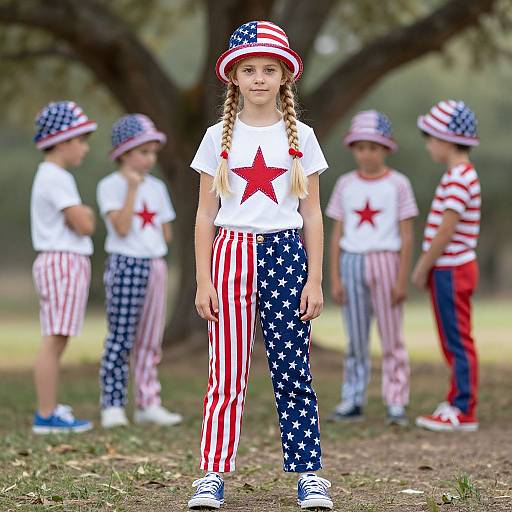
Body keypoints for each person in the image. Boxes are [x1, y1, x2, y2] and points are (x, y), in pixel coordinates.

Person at [187, 20, 333, 511]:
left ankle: (309, 474)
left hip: (286, 255)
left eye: (269, 69)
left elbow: (311, 213)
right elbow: (205, 215)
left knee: (293, 369)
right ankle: (212, 474)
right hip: (230, 254)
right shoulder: (216, 138)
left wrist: (314, 278)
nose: (258, 78)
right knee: (226, 372)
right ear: (233, 77)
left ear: (284, 77)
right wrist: (204, 279)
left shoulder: (303, 138)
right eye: (248, 69)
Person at [326, 110, 418, 426]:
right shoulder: (345, 184)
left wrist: (402, 279)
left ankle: (396, 400)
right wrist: (335, 276)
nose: (367, 153)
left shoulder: (399, 184)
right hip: (352, 261)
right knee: (355, 338)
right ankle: (353, 398)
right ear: (353, 149)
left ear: (386, 148)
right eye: (361, 147)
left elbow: (406, 234)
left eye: (374, 147)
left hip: (386, 261)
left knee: (391, 336)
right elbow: (337, 234)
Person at [96, 114, 182, 429]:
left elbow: (167, 232)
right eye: (143, 152)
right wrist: (131, 191)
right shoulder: (110, 186)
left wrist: (153, 243)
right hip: (125, 262)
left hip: (154, 264)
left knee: (150, 339)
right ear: (124, 152)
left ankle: (148, 402)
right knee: (121, 337)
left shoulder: (157, 188)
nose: (150, 159)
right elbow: (119, 227)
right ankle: (113, 405)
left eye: (153, 152)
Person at [413, 100, 481, 432]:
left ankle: (463, 408)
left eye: (431, 137)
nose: (428, 145)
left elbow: (446, 230)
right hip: (450, 269)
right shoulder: (459, 175)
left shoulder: (459, 178)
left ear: (446, 139)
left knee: (456, 339)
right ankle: (456, 399)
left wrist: (422, 266)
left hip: (452, 269)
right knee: (451, 338)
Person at [31, 100, 97, 434]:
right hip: (61, 260)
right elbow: (83, 223)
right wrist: (86, 214)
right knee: (55, 339)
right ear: (62, 140)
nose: (84, 148)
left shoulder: (54, 176)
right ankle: (46, 414)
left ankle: (49, 408)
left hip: (62, 260)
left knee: (57, 337)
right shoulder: (55, 177)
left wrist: (85, 214)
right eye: (81, 140)